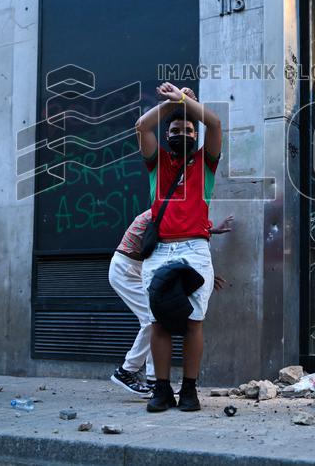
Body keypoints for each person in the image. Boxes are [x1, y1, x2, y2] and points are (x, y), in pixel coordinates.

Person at [134, 82, 223, 412]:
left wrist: (185, 100)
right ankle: (161, 389)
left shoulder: (206, 162)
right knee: (159, 322)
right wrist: (173, 104)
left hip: (196, 249)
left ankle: (189, 390)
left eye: (187, 129)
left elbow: (213, 123)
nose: (181, 132)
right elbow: (142, 127)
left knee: (193, 322)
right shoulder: (158, 163)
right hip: (160, 251)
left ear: (195, 135)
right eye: (175, 128)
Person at [109, 207, 233, 397]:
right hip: (127, 271)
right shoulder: (161, 212)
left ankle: (154, 380)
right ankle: (127, 371)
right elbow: (175, 247)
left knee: (156, 321)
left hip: (136, 268)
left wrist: (210, 234)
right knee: (152, 321)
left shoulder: (172, 213)